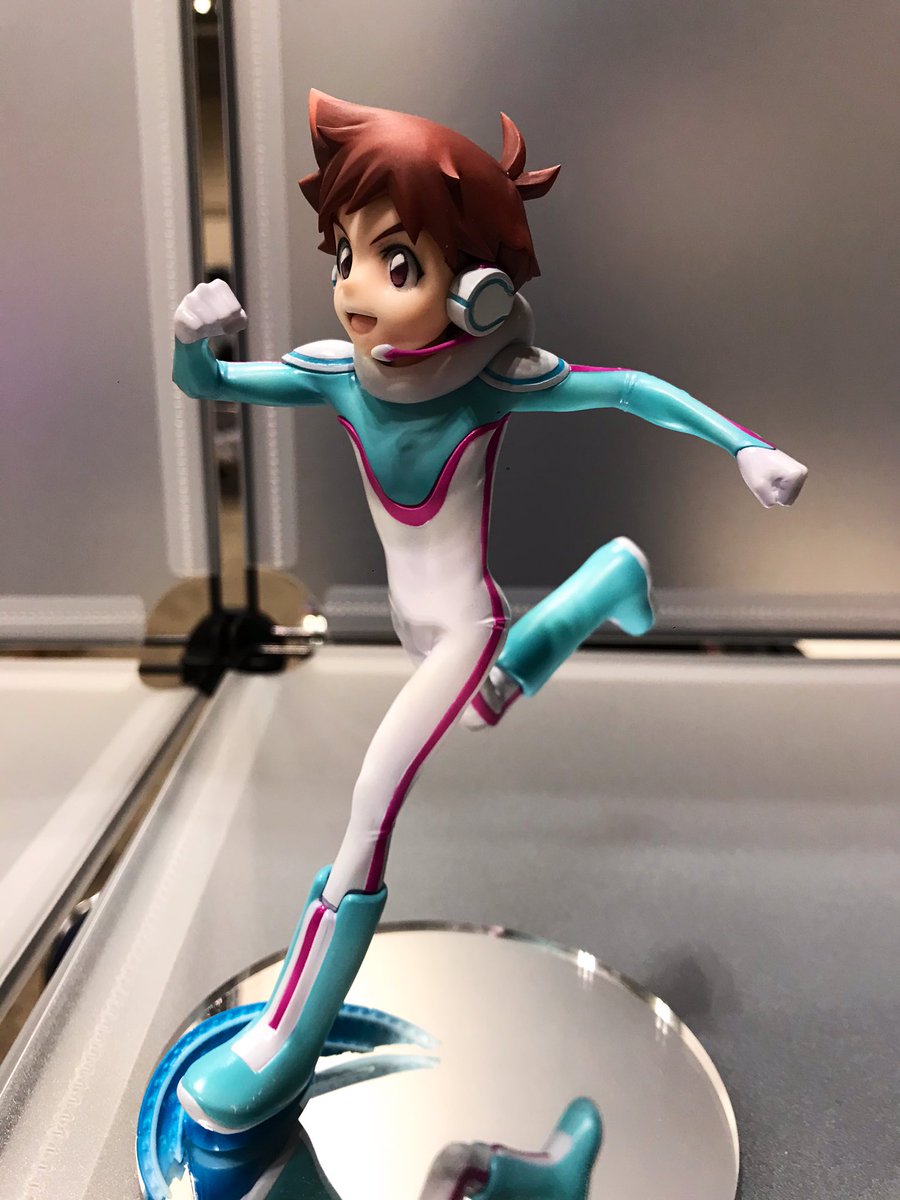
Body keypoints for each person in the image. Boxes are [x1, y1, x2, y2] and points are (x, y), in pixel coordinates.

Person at [172, 90, 806, 1133]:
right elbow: (208, 385)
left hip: (462, 628)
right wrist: (190, 339)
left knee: (370, 806)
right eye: (347, 257)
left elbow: (630, 389)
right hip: (415, 627)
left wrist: (744, 446)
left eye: (397, 264)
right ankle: (604, 582)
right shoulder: (335, 377)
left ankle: (284, 1044)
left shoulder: (496, 383)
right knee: (477, 712)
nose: (356, 291)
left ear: (478, 296)